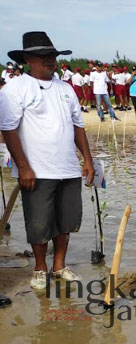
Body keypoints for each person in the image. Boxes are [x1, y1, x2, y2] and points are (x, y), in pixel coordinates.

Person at [0, 31, 95, 290]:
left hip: (68, 168)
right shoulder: (15, 88)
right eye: (43, 56)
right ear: (29, 59)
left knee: (66, 221)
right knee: (39, 222)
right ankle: (40, 267)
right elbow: (9, 130)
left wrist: (87, 160)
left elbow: (78, 126)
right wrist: (23, 167)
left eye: (52, 55)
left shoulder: (66, 89)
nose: (49, 61)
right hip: (37, 170)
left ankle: (60, 265)